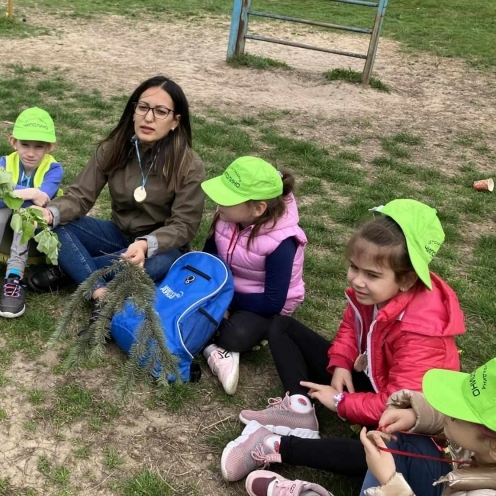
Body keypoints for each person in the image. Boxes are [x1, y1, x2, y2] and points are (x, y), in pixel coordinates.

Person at [220, 199, 465, 483]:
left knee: (382, 457)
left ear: (408, 280)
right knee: (281, 327)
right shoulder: (375, 292)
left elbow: (395, 406)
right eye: (354, 267)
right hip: (372, 380)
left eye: (371, 275)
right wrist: (341, 363)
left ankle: (275, 446)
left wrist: (340, 402)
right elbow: (351, 327)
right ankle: (299, 409)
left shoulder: (422, 332)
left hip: (401, 416)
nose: (357, 280)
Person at [28, 76, 205, 306]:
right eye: (143, 107)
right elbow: (80, 196)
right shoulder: (113, 148)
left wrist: (145, 244)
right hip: (117, 234)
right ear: (133, 110)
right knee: (56, 225)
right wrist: (50, 213)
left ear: (175, 121)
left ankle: (70, 270)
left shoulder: (189, 165)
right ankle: (98, 291)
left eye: (161, 111)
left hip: (158, 248)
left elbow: (184, 225)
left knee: (162, 263)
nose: (148, 117)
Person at [200, 156, 307, 395]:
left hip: (263, 305)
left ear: (258, 209)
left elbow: (272, 301)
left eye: (227, 199)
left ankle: (219, 346)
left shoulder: (282, 241)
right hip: (230, 291)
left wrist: (226, 300)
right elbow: (210, 260)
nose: (218, 204)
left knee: (235, 335)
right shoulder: (226, 217)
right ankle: (212, 347)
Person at [0, 107, 63, 322]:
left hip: (34, 238)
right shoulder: (4, 162)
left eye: (39, 146)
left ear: (50, 147)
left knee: (24, 210)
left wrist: (7, 192)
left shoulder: (54, 169)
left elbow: (43, 200)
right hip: (0, 233)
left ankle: (14, 275)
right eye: (24, 144)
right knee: (1, 207)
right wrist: (31, 192)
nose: (31, 152)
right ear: (13, 142)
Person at [360, 357, 496, 495]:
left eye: (456, 414)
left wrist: (389, 481)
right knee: (402, 438)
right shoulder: (486, 448)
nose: (447, 412)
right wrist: (415, 415)